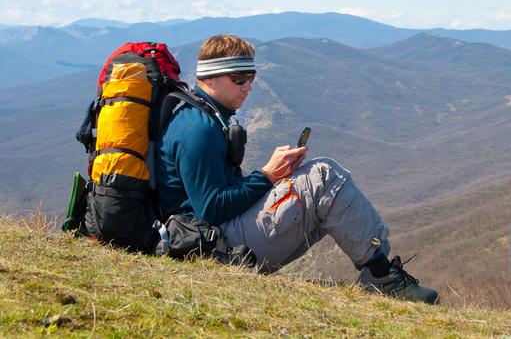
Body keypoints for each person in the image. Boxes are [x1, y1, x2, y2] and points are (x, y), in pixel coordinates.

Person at [155, 34, 438, 304]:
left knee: (323, 196)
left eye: (251, 77)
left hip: (212, 239)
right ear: (210, 77)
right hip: (210, 249)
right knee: (324, 176)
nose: (248, 87)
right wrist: (266, 175)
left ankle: (381, 270)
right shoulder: (197, 129)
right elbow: (211, 209)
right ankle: (383, 279)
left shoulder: (204, 117)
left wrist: (274, 176)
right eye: (239, 78)